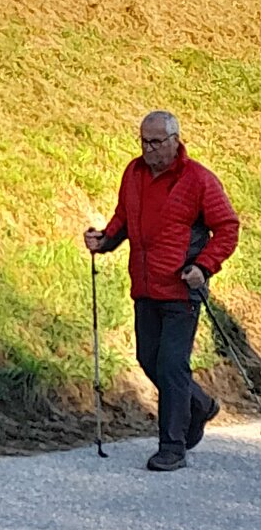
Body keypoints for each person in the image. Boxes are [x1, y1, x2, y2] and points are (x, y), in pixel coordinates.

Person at [84, 111, 239, 471]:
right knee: (147, 359)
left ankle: (173, 447)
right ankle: (199, 405)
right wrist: (103, 240)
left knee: (171, 365)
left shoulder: (198, 179)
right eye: (144, 141)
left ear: (174, 141)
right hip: (144, 286)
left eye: (155, 142)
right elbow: (123, 218)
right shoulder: (133, 173)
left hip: (182, 287)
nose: (148, 148)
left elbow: (227, 228)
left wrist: (204, 266)